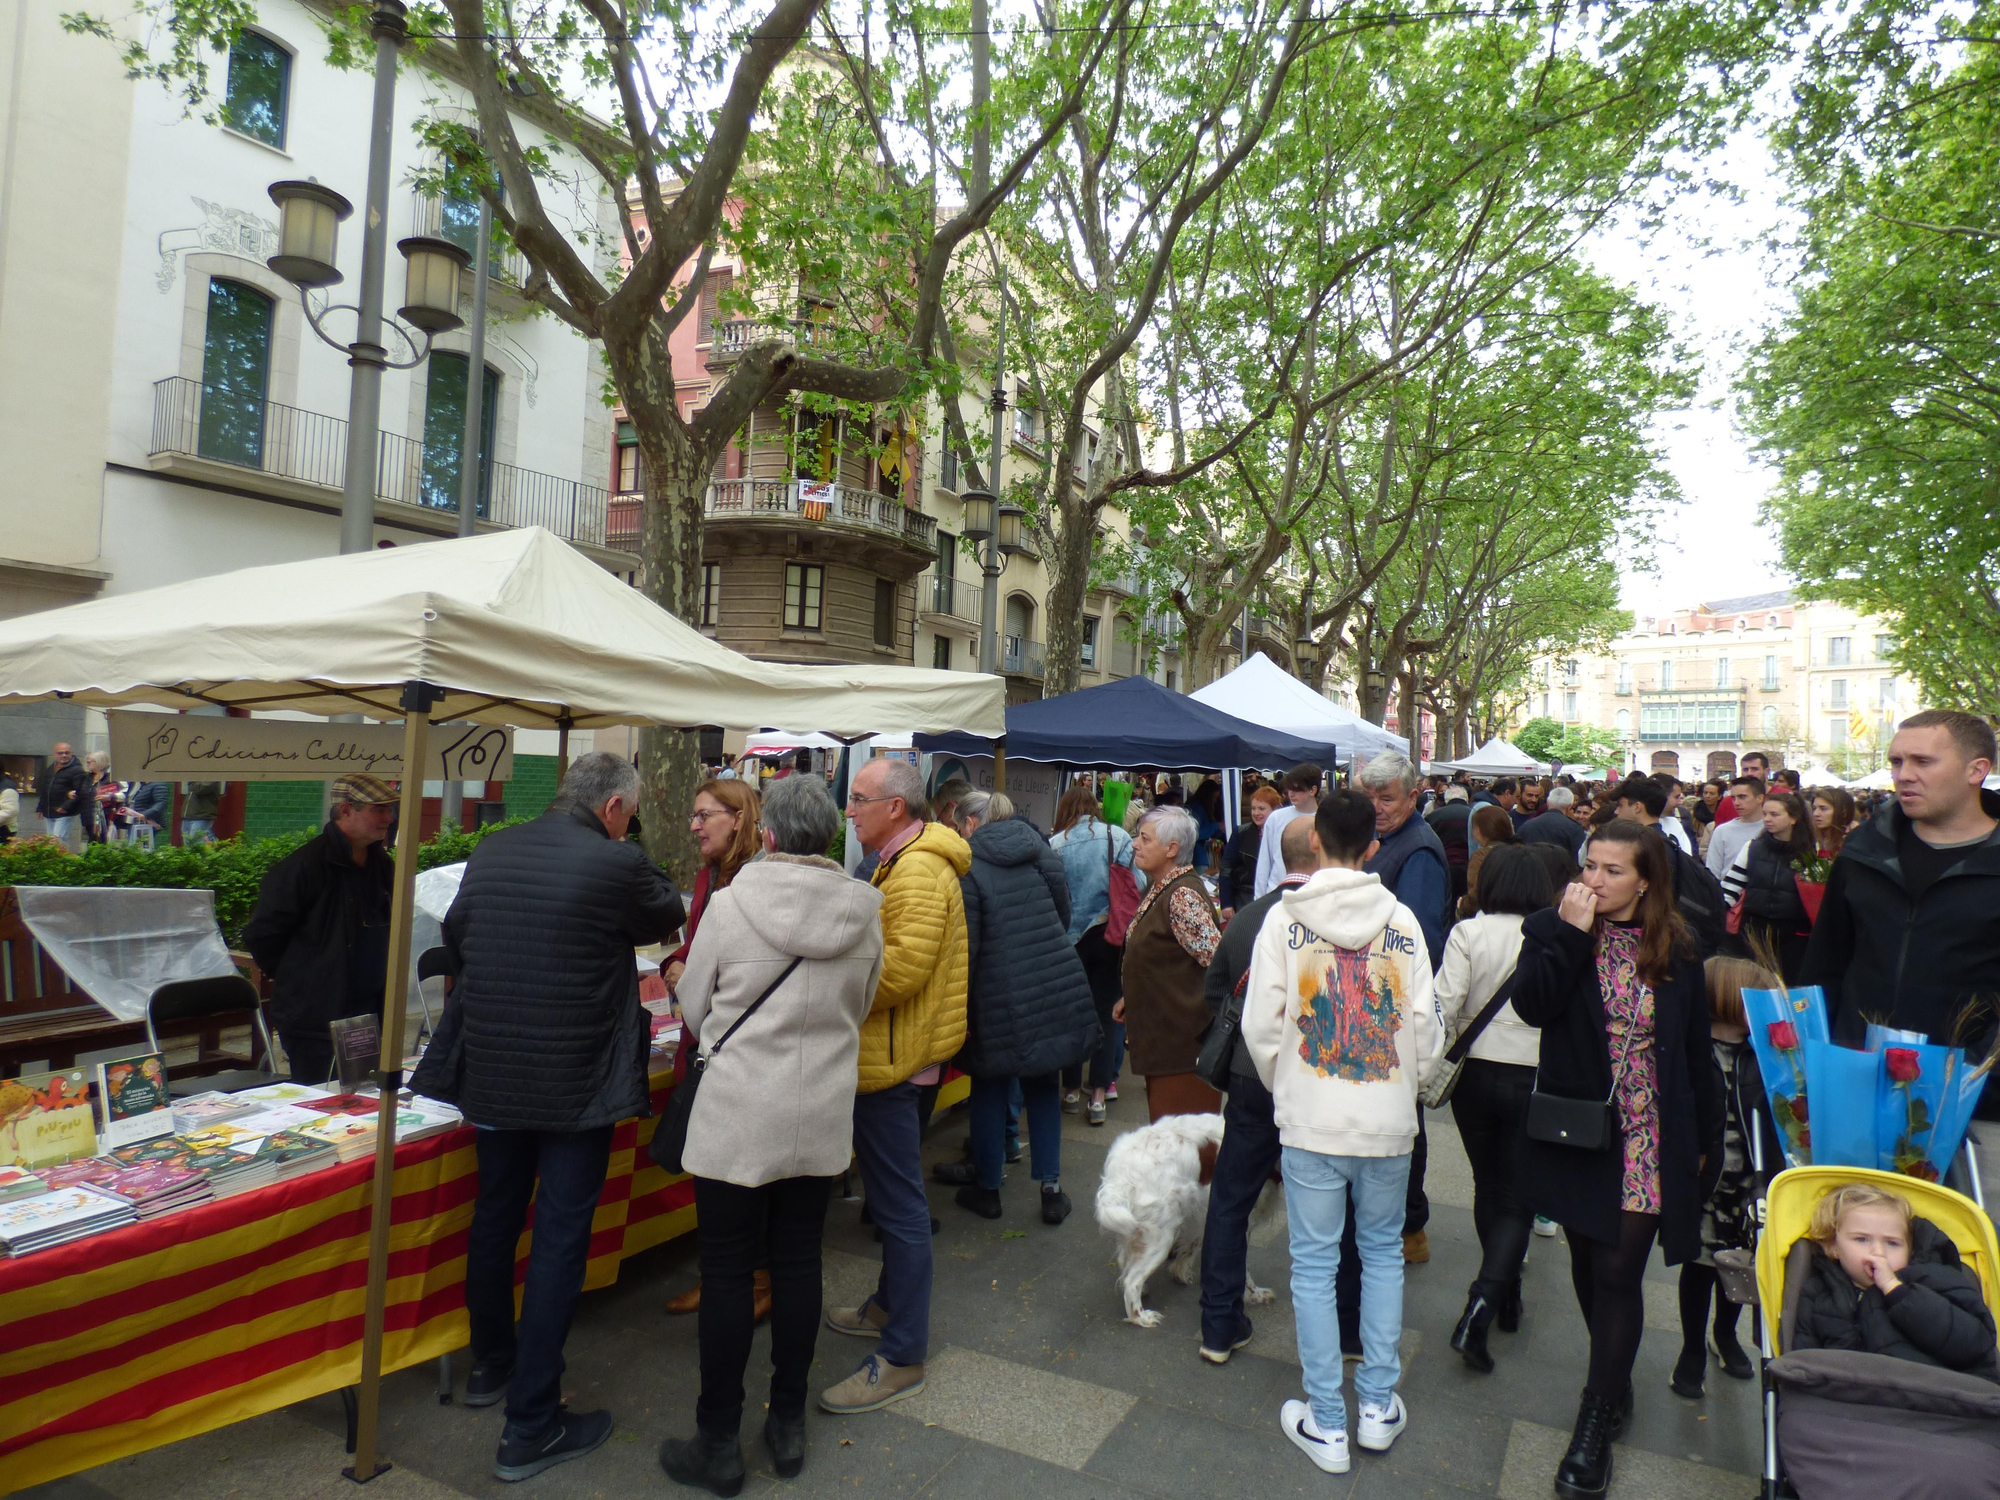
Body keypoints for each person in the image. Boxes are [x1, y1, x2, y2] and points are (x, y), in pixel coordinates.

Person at [416, 752, 685, 1482]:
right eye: (629, 812)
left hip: (497, 1070)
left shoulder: (495, 845)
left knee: (497, 1217)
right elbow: (670, 910)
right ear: (614, 810)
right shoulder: (616, 862)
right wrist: (629, 853)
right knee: (559, 1237)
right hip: (574, 1081)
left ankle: (490, 1369)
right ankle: (531, 1423)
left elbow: (461, 933)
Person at [658, 775, 882, 1496]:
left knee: (726, 1271)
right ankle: (786, 1422)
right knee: (797, 1265)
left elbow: (695, 1004)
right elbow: (867, 997)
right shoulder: (865, 908)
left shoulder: (731, 904)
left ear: (771, 836)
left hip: (737, 1111)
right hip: (819, 1109)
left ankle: (718, 1439)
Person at [1512, 819, 1720, 1500]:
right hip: (1580, 1133)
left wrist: (1708, 1143)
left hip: (1651, 1134)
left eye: (1610, 871)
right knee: (1584, 1258)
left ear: (1647, 880)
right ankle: (1614, 1372)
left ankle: (1595, 1419)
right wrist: (1572, 936)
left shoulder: (1678, 947)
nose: (1593, 881)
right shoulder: (1553, 929)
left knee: (1615, 1271)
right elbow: (1533, 1006)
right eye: (1588, 866)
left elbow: (1695, 1055)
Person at [1241, 789, 1442, 1475]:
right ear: (1374, 847)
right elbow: (1422, 1025)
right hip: (1385, 1116)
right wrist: (1404, 1090)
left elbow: (1261, 1025)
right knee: (1382, 1254)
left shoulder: (1283, 921)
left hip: (1312, 1119)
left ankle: (1326, 1418)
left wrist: (1289, 1085)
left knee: (1314, 1265)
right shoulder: (1405, 922)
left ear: (1317, 841)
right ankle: (1377, 1406)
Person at [821, 756, 969, 1416]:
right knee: (891, 1198)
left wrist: (822, 991)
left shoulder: (915, 871)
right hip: (896, 1053)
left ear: (897, 809)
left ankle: (904, 1352)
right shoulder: (906, 862)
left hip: (893, 1060)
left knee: (900, 1208)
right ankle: (886, 1309)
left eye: (858, 799)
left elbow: (899, 970)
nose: (848, 810)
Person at [1802, 710, 2000, 1053]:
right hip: (1854, 1071)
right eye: (1896, 761)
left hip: (1965, 1087)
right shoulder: (1863, 850)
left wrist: (1979, 1080)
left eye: (1922, 761)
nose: (1903, 775)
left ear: (1977, 770)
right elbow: (1824, 964)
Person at [1198, 815, 1316, 1364]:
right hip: (1317, 1079)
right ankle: (1341, 1331)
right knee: (1328, 1205)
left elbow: (1216, 990)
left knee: (1229, 1199)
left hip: (1250, 1075)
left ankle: (1218, 1326)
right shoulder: (1339, 915)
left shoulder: (1249, 915)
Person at [948, 789, 1096, 1224]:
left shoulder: (969, 864)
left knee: (990, 1088)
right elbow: (1063, 916)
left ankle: (989, 1190)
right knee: (1043, 1087)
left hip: (996, 989)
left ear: (972, 824)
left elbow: (969, 946)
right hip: (1050, 980)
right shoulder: (1043, 851)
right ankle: (1051, 1191)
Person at [1437, 845, 1555, 1375]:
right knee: (1519, 1197)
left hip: (1474, 1074)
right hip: (1533, 1074)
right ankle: (1484, 1303)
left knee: (1489, 1186)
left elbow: (1446, 1002)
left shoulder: (1468, 932)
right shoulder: (1554, 934)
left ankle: (1502, 1290)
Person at [661, 777, 763, 1320]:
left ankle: (753, 1281)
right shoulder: (709, 877)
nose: (695, 826)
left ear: (739, 818)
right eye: (694, 816)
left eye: (706, 815)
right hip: (703, 1038)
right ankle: (722, 1275)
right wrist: (675, 964)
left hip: (738, 1046)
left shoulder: (756, 880)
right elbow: (697, 945)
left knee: (737, 1171)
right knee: (712, 1169)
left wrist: (692, 969)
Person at [242, 773, 400, 1084]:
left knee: (365, 1101)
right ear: (345, 810)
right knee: (321, 1105)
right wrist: (305, 974)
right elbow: (263, 935)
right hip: (315, 1018)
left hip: (370, 1012)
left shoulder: (383, 865)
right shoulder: (302, 867)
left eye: (390, 809)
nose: (388, 818)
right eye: (378, 809)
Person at [1354, 749, 1448, 1266]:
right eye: (1368, 796)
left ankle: (1411, 1225)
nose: (1376, 806)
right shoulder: (1386, 841)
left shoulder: (1418, 851)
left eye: (1385, 798)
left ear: (1413, 797)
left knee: (1403, 1119)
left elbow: (1419, 941)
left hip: (1391, 1010)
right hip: (1370, 1005)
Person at [1673, 955, 1778, 1400]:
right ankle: (1692, 1347)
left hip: (1747, 1184)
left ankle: (1725, 1333)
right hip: (1703, 1180)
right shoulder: (1692, 1052)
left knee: (1738, 1267)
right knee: (1698, 1267)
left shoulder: (1766, 1059)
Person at [1790, 1181, 1998, 1379]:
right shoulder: (1818, 1293)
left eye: (1892, 1243)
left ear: (1910, 1249)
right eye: (1861, 1239)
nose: (1879, 1252)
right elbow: (1804, 1360)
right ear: (1832, 1246)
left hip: (1937, 1393)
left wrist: (1896, 1291)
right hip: (1854, 1399)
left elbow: (1975, 1344)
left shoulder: (1935, 1278)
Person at [1117, 805, 1225, 1122]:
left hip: (1183, 1048)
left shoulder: (1181, 896)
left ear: (1171, 849)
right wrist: (1134, 997)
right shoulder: (1163, 886)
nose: (1135, 843)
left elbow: (1219, 964)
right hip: (1170, 1043)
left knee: (1183, 1149)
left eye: (1145, 838)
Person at [1048, 783, 1138, 1127]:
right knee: (1105, 1015)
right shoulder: (1117, 836)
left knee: (1071, 1014)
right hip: (1108, 933)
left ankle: (1070, 1090)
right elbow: (1137, 881)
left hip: (1068, 938)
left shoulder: (1056, 844)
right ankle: (1099, 1095)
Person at [1612, 776, 1727, 960]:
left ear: (1637, 807)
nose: (1616, 812)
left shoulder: (1647, 848)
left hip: (1659, 945)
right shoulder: (1665, 843)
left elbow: (1655, 904)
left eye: (1620, 805)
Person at [1721, 790, 1817, 979]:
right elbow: (1731, 887)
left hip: (1794, 935)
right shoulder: (1753, 847)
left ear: (1793, 819)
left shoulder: (1811, 852)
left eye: (1775, 814)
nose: (1767, 819)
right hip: (1754, 931)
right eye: (1765, 814)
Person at [1253, 763, 1323, 898]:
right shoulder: (1276, 817)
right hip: (1277, 892)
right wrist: (1259, 899)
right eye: (1289, 789)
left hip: (1313, 893)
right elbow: (1264, 861)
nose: (1291, 794)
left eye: (1297, 789)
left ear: (1312, 790)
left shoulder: (1325, 818)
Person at [1218, 785, 1283, 920]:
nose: (1256, 813)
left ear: (1275, 810)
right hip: (1245, 896)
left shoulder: (1285, 834)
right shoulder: (1240, 833)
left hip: (1276, 896)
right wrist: (1227, 903)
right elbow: (1226, 868)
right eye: (1253, 808)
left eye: (1261, 808)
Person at [1459, 803, 1519, 918]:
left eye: (1474, 828)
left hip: (1489, 919)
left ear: (1481, 830)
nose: (1473, 833)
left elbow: (1476, 896)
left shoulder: (1481, 856)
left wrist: (1462, 904)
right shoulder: (1521, 850)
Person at [1705, 774, 1765, 884]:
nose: (1736, 803)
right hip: (1727, 895)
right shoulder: (1722, 831)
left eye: (1742, 797)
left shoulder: (1770, 829)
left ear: (1760, 798)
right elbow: (1712, 871)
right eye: (1733, 798)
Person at [36, 742, 91, 851]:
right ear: (54, 754)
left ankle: (61, 864)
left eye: (67, 753)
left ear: (71, 753)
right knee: (50, 841)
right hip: (49, 811)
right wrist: (40, 807)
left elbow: (80, 792)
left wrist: (65, 807)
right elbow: (45, 789)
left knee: (59, 841)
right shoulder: (51, 768)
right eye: (60, 753)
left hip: (64, 813)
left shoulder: (77, 770)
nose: (64, 755)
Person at [1426, 784, 1474, 908]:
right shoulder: (1474, 816)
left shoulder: (1434, 816)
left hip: (1442, 866)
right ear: (1466, 798)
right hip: (1468, 867)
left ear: (1447, 799)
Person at [1518, 785, 1587, 857]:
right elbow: (1579, 858)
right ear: (1570, 806)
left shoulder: (1527, 825)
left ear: (1548, 803)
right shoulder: (1574, 828)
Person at [1810, 785, 1856, 859]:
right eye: (1814, 808)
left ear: (1843, 811)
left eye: (1823, 809)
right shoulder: (1816, 839)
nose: (1816, 813)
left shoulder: (1854, 843)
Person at [180, 780, 222, 845]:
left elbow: (200, 789)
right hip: (188, 816)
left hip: (201, 816)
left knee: (197, 844)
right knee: (188, 846)